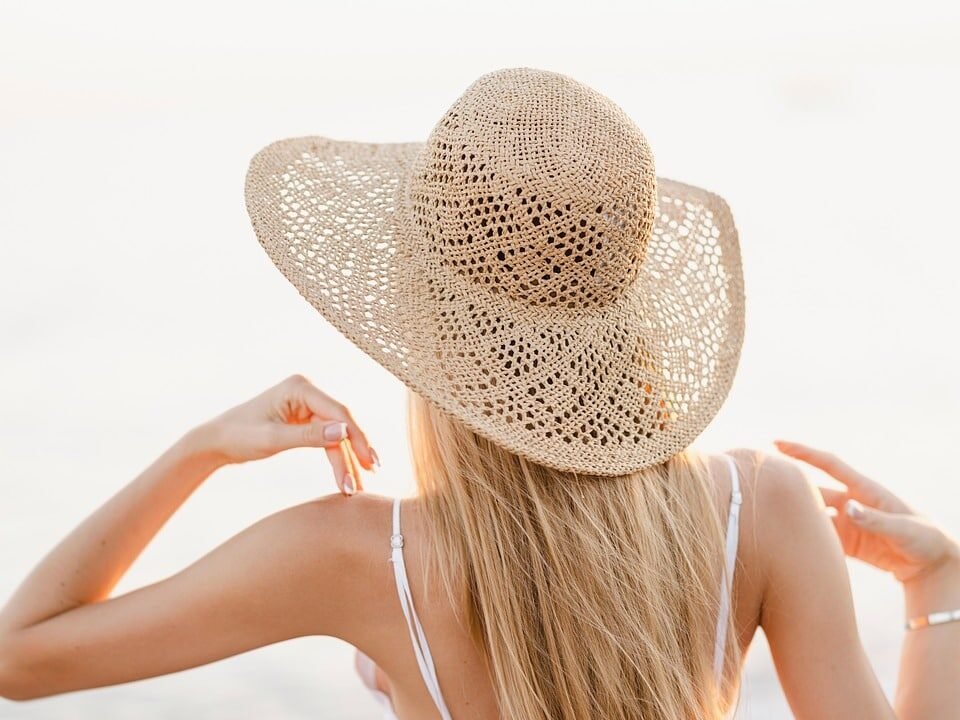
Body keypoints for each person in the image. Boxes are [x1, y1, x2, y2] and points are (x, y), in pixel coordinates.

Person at [0, 68, 956, 719]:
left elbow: (24, 657)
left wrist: (201, 448)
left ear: (425, 310)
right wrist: (938, 587)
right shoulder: (761, 507)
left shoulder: (351, 555)